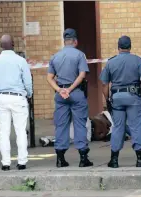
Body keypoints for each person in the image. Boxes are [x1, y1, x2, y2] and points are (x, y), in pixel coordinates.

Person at [99, 35, 141, 168]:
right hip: (133, 97)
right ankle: (140, 159)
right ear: (130, 47)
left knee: (118, 127)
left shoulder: (111, 62)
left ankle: (114, 160)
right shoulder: (137, 60)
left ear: (118, 47)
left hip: (117, 98)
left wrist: (107, 99)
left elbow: (104, 84)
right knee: (135, 127)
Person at [47, 28, 93, 168]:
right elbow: (82, 75)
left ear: (64, 41)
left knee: (61, 125)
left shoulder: (55, 56)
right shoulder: (80, 55)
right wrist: (70, 89)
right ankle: (83, 158)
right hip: (76, 93)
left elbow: (49, 78)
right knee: (80, 124)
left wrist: (60, 90)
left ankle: (60, 159)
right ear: (75, 41)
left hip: (61, 94)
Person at [0, 34, 33, 171]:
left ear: (1, 45)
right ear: (13, 44)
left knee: (4, 132)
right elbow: (27, 81)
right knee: (20, 131)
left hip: (2, 98)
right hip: (18, 97)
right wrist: (29, 94)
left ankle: (5, 163)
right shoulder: (21, 60)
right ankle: (22, 162)